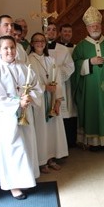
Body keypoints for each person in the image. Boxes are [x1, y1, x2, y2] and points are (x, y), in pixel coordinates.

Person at [0, 35, 43, 200]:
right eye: (5, 48)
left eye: (12, 47)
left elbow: (36, 87)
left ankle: (27, 180)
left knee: (27, 146)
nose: (10, 51)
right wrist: (18, 101)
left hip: (26, 114)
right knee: (12, 149)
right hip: (7, 118)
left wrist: (30, 97)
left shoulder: (25, 67)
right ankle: (14, 186)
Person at [71, 6, 104, 151]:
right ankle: (93, 143)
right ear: (87, 28)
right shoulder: (80, 46)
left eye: (97, 25)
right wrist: (89, 62)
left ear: (101, 26)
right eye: (92, 26)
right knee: (93, 110)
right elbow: (75, 65)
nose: (95, 27)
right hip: (90, 86)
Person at [28, 32, 67, 173]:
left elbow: (59, 81)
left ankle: (51, 158)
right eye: (36, 41)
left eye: (42, 41)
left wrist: (57, 101)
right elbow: (29, 82)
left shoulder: (51, 60)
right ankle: (41, 161)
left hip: (51, 99)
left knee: (52, 131)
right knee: (41, 131)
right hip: (39, 102)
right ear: (32, 44)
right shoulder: (29, 60)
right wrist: (45, 88)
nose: (40, 43)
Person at [46, 22, 76, 150]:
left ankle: (66, 144)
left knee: (64, 113)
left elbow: (70, 66)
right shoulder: (39, 47)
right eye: (49, 29)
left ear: (57, 33)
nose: (51, 32)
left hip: (60, 85)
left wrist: (57, 73)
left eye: (54, 30)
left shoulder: (62, 49)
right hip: (45, 86)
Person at [54, 23, 78, 148]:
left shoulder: (76, 47)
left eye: (69, 31)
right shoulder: (54, 48)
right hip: (59, 83)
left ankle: (72, 140)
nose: (67, 34)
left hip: (71, 82)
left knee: (72, 108)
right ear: (60, 33)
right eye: (64, 31)